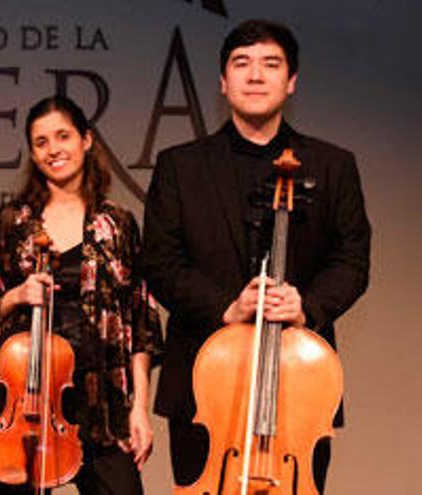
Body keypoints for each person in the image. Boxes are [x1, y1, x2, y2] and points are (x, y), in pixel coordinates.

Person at [141, 19, 371, 493]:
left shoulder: (333, 165)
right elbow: (161, 262)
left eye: (271, 64)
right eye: (241, 64)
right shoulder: (179, 165)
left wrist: (307, 306)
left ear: (291, 82)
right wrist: (226, 307)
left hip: (298, 386)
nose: (255, 75)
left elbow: (352, 259)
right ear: (223, 83)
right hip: (204, 385)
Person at [0, 95, 163, 494]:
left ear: (86, 140)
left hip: (103, 407)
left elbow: (142, 322)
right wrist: (16, 296)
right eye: (41, 142)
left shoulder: (118, 224)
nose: (53, 149)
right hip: (24, 406)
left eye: (63, 136)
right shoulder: (12, 223)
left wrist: (139, 409)